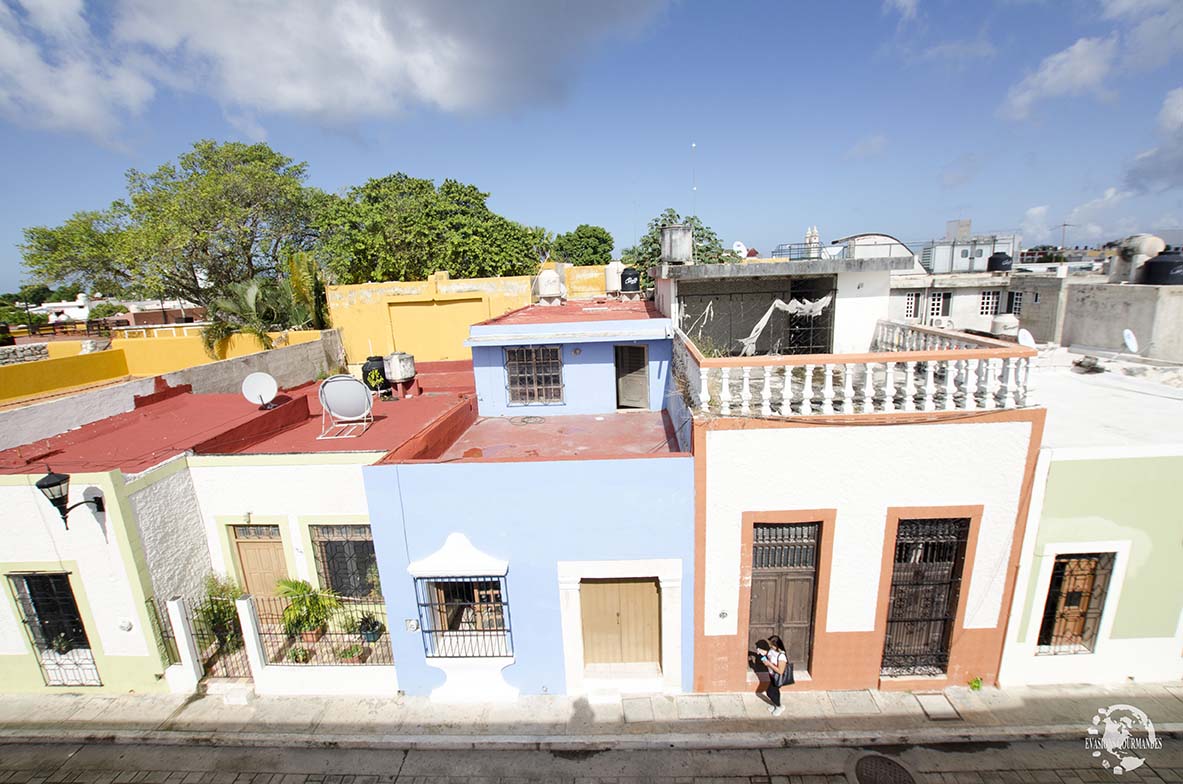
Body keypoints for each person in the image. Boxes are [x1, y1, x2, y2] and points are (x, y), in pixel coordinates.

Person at [755, 637, 788, 716]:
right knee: (773, 692)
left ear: (777, 646)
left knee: (771, 692)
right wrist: (761, 652)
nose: (770, 646)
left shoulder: (782, 656)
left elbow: (780, 671)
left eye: (771, 645)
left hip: (777, 677)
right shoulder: (772, 651)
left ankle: (779, 706)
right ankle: (776, 704)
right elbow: (768, 654)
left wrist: (769, 664)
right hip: (772, 675)